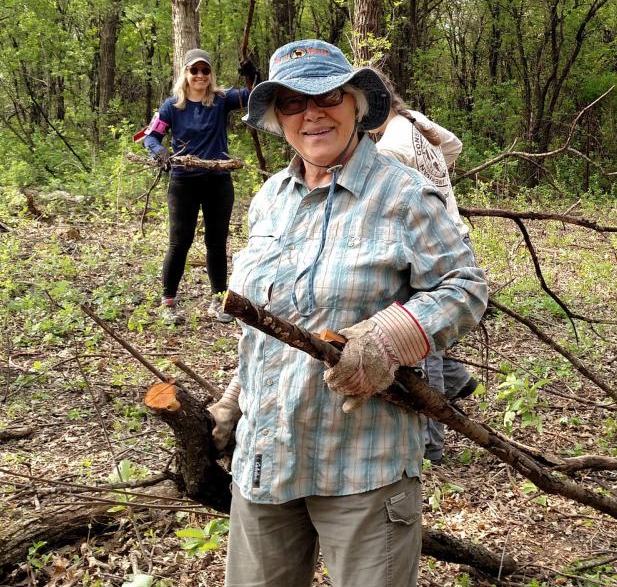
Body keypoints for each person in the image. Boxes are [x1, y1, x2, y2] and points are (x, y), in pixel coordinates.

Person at [209, 39, 487, 587]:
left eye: (328, 95)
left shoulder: (403, 193)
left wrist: (388, 338)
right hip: (267, 458)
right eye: (291, 102)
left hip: (365, 464)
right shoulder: (269, 200)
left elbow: (464, 287)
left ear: (356, 104)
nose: (311, 112)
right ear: (278, 119)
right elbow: (268, 328)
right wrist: (233, 401)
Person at [366, 70, 479, 463]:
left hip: (429, 246)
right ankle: (458, 381)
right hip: (455, 236)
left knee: (420, 341)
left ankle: (430, 443)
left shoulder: (389, 150)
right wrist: (436, 176)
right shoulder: (415, 121)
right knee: (423, 335)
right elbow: (454, 146)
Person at [135, 48, 252, 325]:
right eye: (194, 70)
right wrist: (160, 153)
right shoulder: (171, 106)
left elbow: (254, 96)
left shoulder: (222, 100)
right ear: (185, 74)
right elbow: (151, 137)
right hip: (183, 182)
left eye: (205, 70)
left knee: (216, 242)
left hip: (218, 181)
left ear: (210, 75)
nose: (200, 75)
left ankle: (218, 299)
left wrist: (252, 75)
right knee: (179, 242)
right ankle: (168, 303)